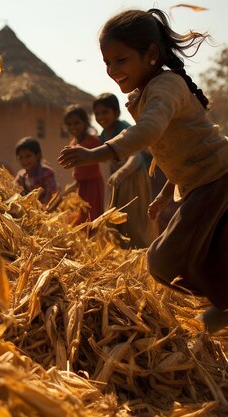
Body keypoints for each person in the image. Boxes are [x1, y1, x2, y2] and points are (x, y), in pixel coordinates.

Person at [58, 9, 228, 333]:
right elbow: (176, 150)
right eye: (107, 63)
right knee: (189, 248)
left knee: (163, 261)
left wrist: (96, 153)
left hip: (217, 177)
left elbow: (150, 132)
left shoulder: (166, 86)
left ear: (151, 54)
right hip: (199, 182)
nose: (112, 70)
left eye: (120, 60)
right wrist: (167, 192)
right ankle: (222, 303)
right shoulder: (148, 92)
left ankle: (222, 304)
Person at [93, 93, 154, 248]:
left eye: (105, 112)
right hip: (119, 181)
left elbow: (136, 157)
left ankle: (141, 256)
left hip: (134, 178)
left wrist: (121, 173)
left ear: (116, 113)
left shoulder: (124, 129)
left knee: (134, 222)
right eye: (98, 113)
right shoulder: (103, 135)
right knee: (117, 223)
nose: (101, 117)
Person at [63, 105, 104, 224]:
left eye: (77, 123)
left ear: (85, 123)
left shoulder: (93, 141)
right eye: (69, 124)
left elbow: (94, 163)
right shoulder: (73, 143)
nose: (73, 127)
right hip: (81, 186)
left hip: (92, 184)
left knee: (92, 217)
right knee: (81, 214)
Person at [14, 137, 58, 205]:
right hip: (28, 212)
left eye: (28, 156)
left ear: (38, 155)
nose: (24, 160)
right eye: (21, 157)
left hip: (46, 210)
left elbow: (52, 195)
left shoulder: (47, 173)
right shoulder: (21, 176)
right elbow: (13, 190)